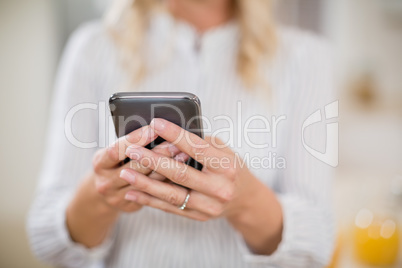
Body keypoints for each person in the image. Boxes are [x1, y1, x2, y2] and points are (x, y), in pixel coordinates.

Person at [27, 0, 336, 267]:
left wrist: (246, 200)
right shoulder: (93, 48)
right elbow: (47, 238)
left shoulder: (306, 57)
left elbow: (318, 245)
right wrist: (101, 196)